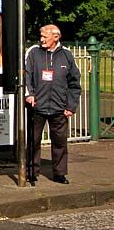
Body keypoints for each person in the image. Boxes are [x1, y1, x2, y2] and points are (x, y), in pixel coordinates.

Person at [24, 24, 81, 185]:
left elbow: (74, 82)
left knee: (60, 142)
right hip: (37, 105)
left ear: (56, 37)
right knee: (32, 141)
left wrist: (71, 106)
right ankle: (31, 172)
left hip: (59, 107)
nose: (41, 39)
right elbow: (26, 76)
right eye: (41, 36)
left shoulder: (66, 55)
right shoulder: (33, 52)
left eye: (45, 36)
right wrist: (29, 95)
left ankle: (60, 173)